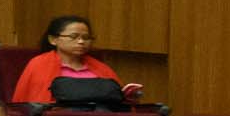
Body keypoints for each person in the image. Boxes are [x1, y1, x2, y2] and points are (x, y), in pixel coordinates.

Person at [11, 12, 144, 109]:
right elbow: (29, 106)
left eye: (86, 38)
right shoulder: (39, 65)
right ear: (53, 40)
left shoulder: (101, 68)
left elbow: (118, 105)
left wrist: (129, 97)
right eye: (73, 37)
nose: (81, 41)